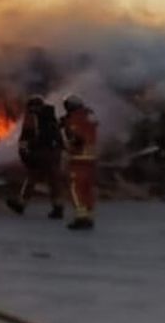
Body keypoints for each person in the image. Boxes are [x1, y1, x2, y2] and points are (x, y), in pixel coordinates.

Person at [6, 96, 65, 218]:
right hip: (54, 153)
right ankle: (58, 207)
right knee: (53, 180)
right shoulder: (51, 117)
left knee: (32, 178)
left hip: (39, 153)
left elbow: (26, 137)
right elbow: (58, 137)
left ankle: (21, 204)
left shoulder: (33, 117)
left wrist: (25, 152)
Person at [60, 95, 99, 231]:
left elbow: (76, 139)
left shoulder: (75, 119)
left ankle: (81, 217)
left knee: (76, 189)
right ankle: (88, 216)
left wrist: (66, 141)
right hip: (91, 159)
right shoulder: (89, 116)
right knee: (88, 189)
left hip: (78, 159)